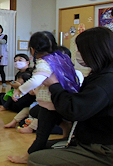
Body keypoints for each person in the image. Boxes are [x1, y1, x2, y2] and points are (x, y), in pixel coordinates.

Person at [27, 27, 113, 166]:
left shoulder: (105, 82)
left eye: (80, 50)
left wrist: (54, 85)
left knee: (36, 159)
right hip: (88, 138)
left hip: (102, 147)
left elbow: (74, 110)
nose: (78, 54)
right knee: (42, 147)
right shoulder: (100, 74)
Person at [8, 31, 80, 164]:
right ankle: (66, 129)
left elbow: (35, 80)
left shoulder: (43, 63)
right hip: (62, 100)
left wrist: (20, 90)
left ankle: (27, 156)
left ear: (33, 49)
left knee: (42, 133)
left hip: (50, 103)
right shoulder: (60, 58)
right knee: (53, 118)